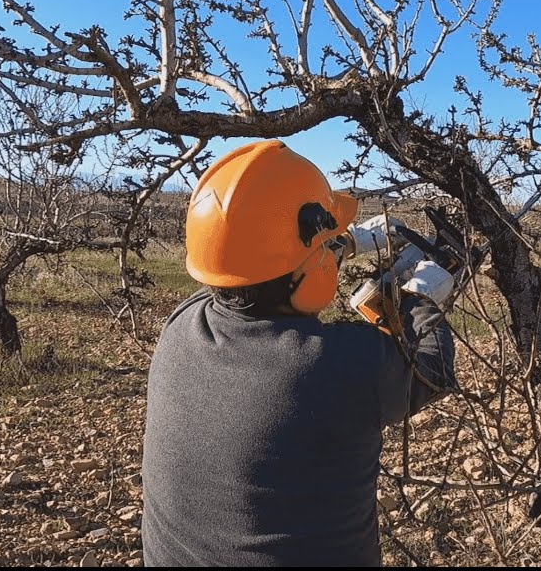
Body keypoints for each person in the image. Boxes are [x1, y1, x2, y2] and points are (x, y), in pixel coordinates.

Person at [141, 139, 457, 567]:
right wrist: (423, 296)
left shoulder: (182, 324)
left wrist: (344, 244)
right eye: (324, 246)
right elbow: (432, 369)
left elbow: (254, 266)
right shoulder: (330, 366)